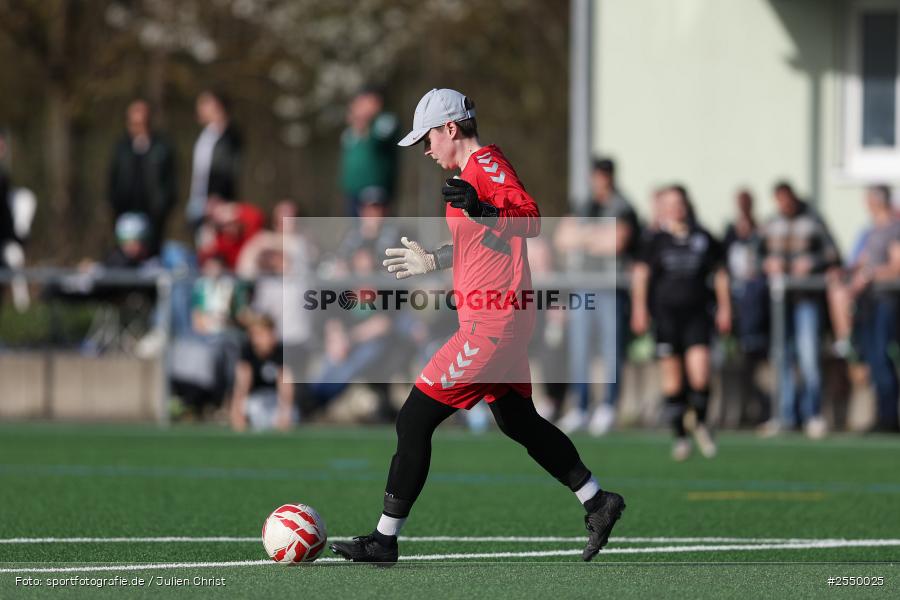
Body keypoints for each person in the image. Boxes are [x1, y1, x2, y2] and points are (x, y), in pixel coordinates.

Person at [330, 88, 625, 565]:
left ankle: (383, 541)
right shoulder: (471, 175)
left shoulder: (485, 168)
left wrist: (483, 208)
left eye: (428, 139)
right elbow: (480, 239)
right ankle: (597, 499)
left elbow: (530, 221)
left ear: (450, 128)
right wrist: (435, 258)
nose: (426, 151)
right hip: (496, 319)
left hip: (493, 322)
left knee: (413, 420)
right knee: (517, 421)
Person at [631, 185, 731, 460]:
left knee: (700, 375)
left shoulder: (703, 236)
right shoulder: (654, 240)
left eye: (680, 202)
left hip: (697, 315)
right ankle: (681, 437)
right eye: (670, 203)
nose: (676, 208)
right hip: (666, 316)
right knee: (673, 382)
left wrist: (725, 307)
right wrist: (639, 309)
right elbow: (641, 275)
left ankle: (699, 420)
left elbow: (720, 273)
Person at [553, 157, 639, 435]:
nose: (600, 180)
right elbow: (562, 240)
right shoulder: (583, 205)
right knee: (579, 350)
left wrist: (584, 236)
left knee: (610, 350)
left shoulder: (623, 206)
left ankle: (608, 406)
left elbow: (616, 243)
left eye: (605, 174)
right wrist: (596, 235)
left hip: (610, 287)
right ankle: (580, 407)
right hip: (582, 287)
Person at [758, 181, 840, 439]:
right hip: (779, 302)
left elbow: (833, 254)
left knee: (808, 358)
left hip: (806, 299)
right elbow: (754, 255)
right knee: (782, 358)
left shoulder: (813, 221)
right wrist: (767, 264)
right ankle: (784, 415)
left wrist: (811, 263)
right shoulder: (771, 224)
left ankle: (812, 414)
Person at [844, 186, 900, 432]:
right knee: (871, 358)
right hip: (867, 302)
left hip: (886, 299)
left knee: (882, 355)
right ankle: (881, 414)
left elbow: (896, 266)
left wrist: (869, 275)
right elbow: (862, 262)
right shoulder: (872, 231)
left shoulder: (894, 229)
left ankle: (888, 416)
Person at [722, 189, 770, 426]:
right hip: (733, 309)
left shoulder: (761, 233)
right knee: (734, 364)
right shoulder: (729, 233)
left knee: (753, 363)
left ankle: (759, 410)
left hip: (755, 312)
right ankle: (735, 413)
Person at [107, 100, 176, 255]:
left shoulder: (162, 147)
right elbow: (113, 180)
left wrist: (162, 208)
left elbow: (168, 183)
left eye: (142, 123)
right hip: (124, 213)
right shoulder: (121, 148)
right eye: (134, 123)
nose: (138, 127)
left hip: (153, 216)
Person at [185, 90, 243, 232]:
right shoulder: (205, 135)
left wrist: (216, 196)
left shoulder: (229, 136)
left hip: (217, 202)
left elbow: (227, 168)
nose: (199, 109)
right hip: (199, 200)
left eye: (204, 104)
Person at [340, 87, 399, 217]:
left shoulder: (385, 121)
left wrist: (362, 121)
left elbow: (377, 141)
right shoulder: (350, 131)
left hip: (376, 189)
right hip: (353, 191)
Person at [230, 313, 295, 432]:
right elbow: (242, 384)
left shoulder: (280, 352)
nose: (258, 339)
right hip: (256, 400)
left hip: (275, 401)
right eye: (255, 334)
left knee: (292, 415)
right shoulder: (247, 353)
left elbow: (285, 385)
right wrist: (236, 411)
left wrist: (285, 413)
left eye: (262, 334)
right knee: (252, 410)